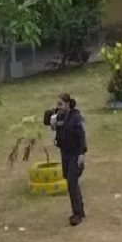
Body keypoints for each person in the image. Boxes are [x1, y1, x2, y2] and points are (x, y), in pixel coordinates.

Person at [50, 93, 87, 226]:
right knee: (69, 180)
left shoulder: (75, 118)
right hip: (64, 153)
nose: (58, 107)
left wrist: (82, 153)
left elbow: (81, 135)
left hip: (75, 153)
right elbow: (51, 125)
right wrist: (51, 119)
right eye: (57, 104)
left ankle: (77, 213)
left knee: (72, 181)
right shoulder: (59, 117)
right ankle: (80, 209)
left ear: (67, 104)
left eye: (60, 104)